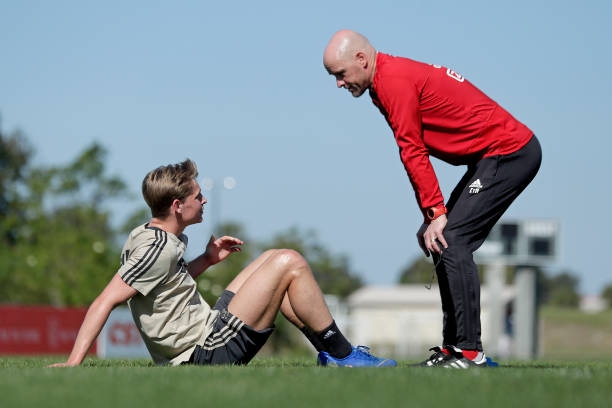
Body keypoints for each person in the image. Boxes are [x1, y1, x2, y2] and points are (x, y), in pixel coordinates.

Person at [323, 30, 541, 368]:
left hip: (509, 153)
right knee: (444, 240)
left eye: (340, 74)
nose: (338, 83)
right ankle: (453, 350)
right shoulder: (383, 82)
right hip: (490, 157)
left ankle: (470, 354)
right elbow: (415, 149)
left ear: (361, 60)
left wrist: (436, 210)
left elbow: (412, 149)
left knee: (453, 239)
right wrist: (431, 215)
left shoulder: (392, 80)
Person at [49, 159, 396, 368]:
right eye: (197, 196)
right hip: (205, 352)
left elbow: (164, 284)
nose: (204, 200)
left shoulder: (152, 235)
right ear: (176, 205)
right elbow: (106, 299)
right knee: (290, 262)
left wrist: (207, 259)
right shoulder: (157, 248)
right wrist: (73, 362)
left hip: (208, 331)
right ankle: (344, 355)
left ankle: (332, 354)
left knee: (272, 259)